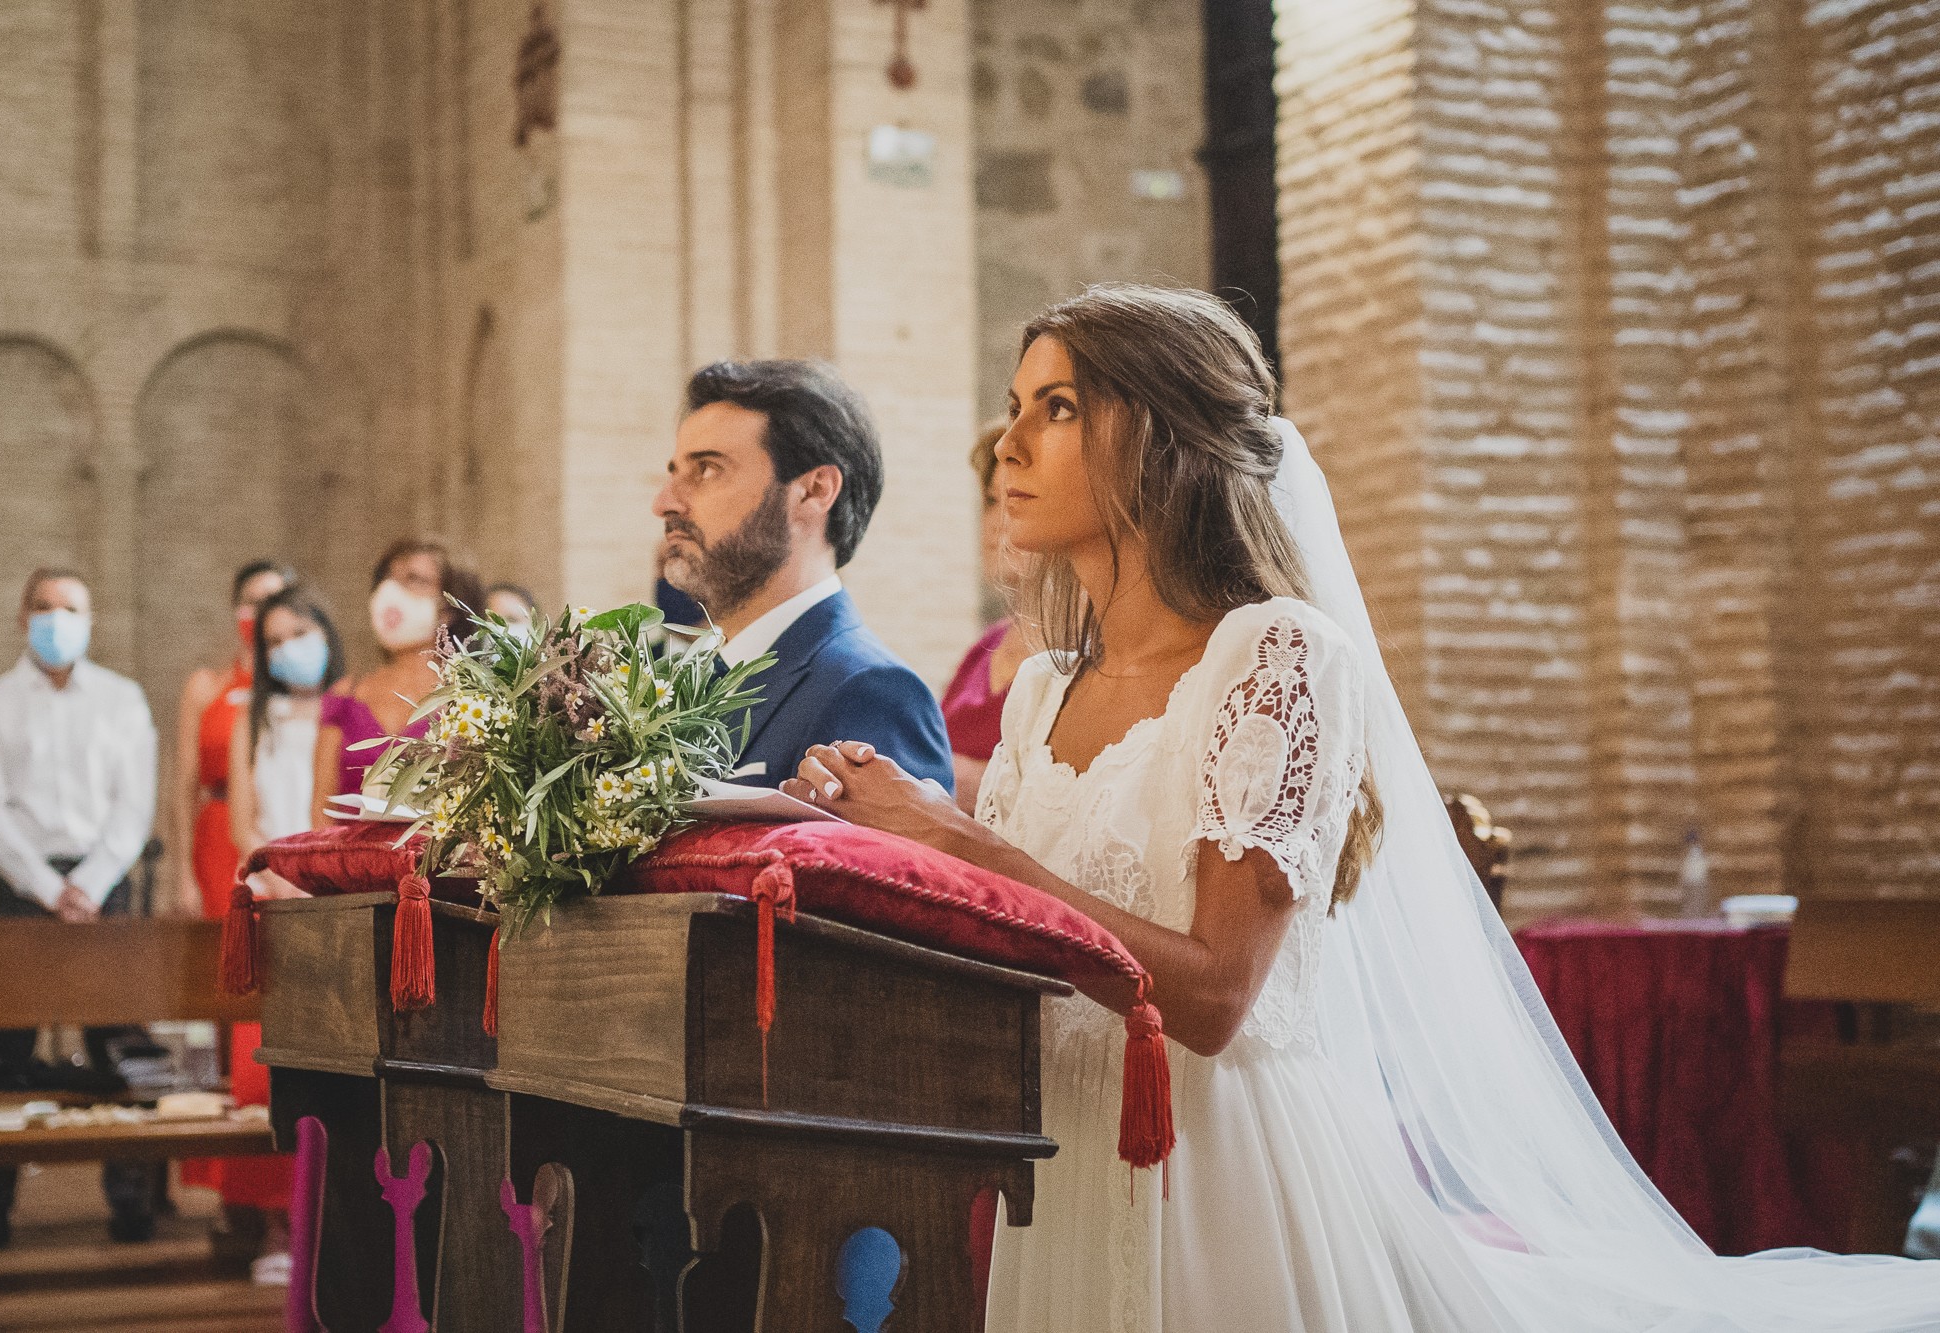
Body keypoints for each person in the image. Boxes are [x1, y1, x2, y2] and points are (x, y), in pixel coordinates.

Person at [782, 285, 1940, 1331]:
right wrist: (863, 847)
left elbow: (1213, 993)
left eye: (1060, 408)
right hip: (1067, 1164)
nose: (1014, 444)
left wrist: (959, 839)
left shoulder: (1275, 656)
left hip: (1226, 1172)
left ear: (1157, 436)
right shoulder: (1038, 690)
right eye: (1015, 405)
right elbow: (1021, 949)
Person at [0, 567, 159, 1249]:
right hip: (22, 886)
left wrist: (95, 883)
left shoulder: (122, 699)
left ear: (91, 617)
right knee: (8, 1052)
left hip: (106, 885)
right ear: (22, 617)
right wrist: (50, 889)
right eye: (43, 606)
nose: (56, 619)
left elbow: (133, 806)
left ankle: (129, 1201)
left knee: (115, 1043)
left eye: (70, 607)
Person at [652, 359, 952, 791]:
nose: (664, 503)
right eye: (675, 473)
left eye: (708, 469)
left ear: (814, 491)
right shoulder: (689, 682)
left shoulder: (869, 692)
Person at [205, 585, 345, 1284]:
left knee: (334, 1062)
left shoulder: (347, 703)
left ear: (327, 631)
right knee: (262, 1066)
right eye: (277, 637)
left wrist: (318, 872)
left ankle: (333, 1220)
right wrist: (278, 872)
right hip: (269, 889)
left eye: (303, 629)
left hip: (332, 893)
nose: (292, 645)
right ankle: (272, 1222)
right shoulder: (247, 714)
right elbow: (240, 816)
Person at [312, 539, 484, 819]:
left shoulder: (470, 696)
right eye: (386, 579)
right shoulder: (347, 694)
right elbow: (321, 809)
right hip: (349, 858)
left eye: (413, 579)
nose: (390, 592)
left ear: (449, 606)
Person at [173, 561, 293, 920]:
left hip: (279, 833)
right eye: (251, 601)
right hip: (218, 836)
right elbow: (184, 789)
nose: (261, 612)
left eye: (272, 601)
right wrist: (181, 875)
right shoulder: (206, 687)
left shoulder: (299, 695)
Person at [940, 419, 1032, 812]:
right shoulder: (986, 646)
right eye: (991, 502)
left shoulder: (1092, 652)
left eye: (1015, 499)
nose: (998, 522)